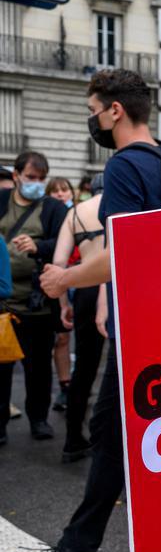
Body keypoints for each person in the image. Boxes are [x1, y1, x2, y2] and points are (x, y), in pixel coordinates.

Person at [6, 69, 161, 552]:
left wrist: (64, 278)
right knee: (115, 435)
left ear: (114, 110)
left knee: (113, 434)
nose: (91, 120)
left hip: (137, 326)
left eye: (92, 109)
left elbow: (122, 254)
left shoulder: (123, 166)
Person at [0, 151, 68, 445]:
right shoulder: (2, 201)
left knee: (38, 368)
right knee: (1, 369)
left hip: (37, 304)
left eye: (41, 179)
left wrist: (39, 247)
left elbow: (65, 243)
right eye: (30, 178)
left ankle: (38, 419)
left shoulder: (53, 208)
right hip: (4, 305)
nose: (36, 184)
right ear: (16, 176)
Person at [51, 172, 106, 463]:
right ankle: (114, 439)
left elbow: (59, 265)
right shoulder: (121, 205)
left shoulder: (75, 213)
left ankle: (73, 438)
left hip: (83, 288)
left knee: (84, 368)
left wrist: (63, 304)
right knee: (121, 369)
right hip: (114, 287)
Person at [46, 177, 75, 413]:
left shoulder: (80, 215)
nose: (60, 194)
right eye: (54, 191)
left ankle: (73, 388)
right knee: (62, 338)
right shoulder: (47, 216)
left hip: (81, 282)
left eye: (64, 190)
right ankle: (65, 387)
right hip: (57, 282)